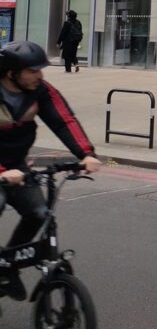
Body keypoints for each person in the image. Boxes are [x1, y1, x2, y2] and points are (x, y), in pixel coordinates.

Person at [0, 40, 101, 300]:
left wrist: (86, 153)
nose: (39, 75)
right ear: (11, 72)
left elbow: (63, 119)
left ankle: (6, 267)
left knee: (39, 213)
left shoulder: (40, 91)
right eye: (32, 71)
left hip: (18, 166)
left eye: (40, 70)